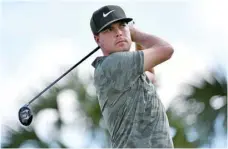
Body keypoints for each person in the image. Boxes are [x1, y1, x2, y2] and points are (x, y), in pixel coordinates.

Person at [90, 5, 174, 148]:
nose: (118, 33)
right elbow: (166, 50)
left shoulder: (130, 70)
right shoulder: (112, 65)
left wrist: (136, 41)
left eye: (122, 26)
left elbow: (150, 76)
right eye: (109, 29)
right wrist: (136, 34)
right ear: (98, 39)